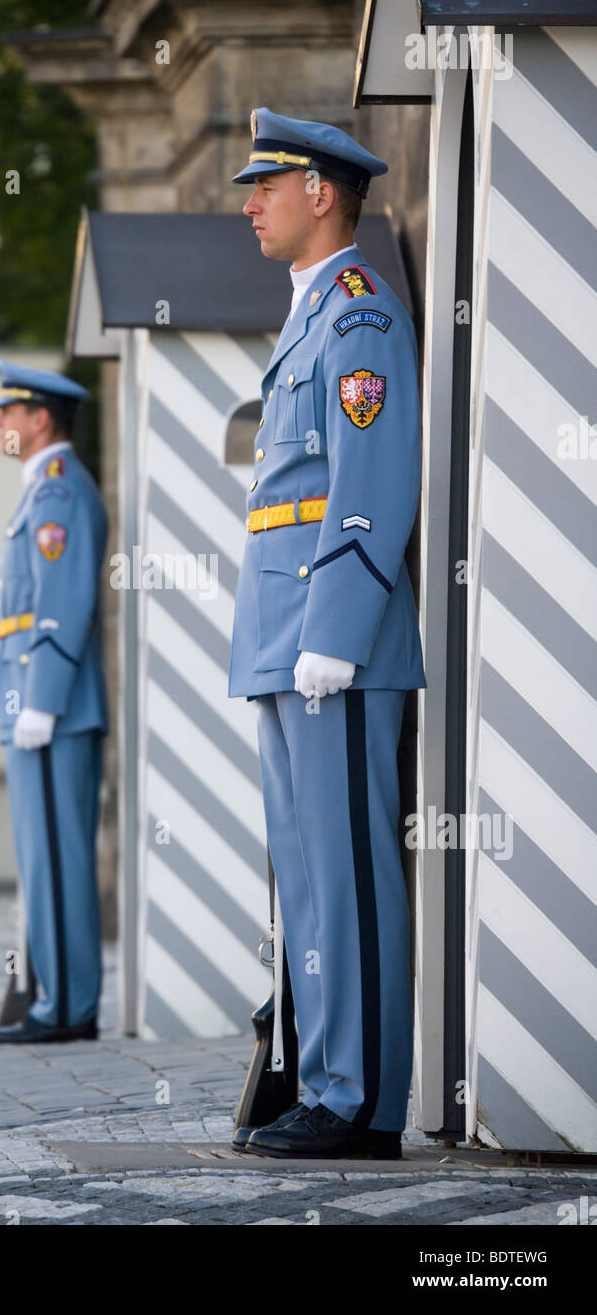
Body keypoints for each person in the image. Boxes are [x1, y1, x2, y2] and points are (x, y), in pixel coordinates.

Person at [228, 108, 427, 1158]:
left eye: (264, 183)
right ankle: (320, 1077)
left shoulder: (356, 317)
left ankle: (359, 1102)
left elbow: (369, 482)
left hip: (329, 642)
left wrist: (338, 629)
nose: (248, 202)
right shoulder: (310, 315)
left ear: (320, 192)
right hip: (283, 639)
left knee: (348, 872)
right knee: (307, 876)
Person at [0, 360, 108, 1045]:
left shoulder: (59, 494)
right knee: (43, 857)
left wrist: (43, 700)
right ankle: (59, 1001)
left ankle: (66, 1009)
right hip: (32, 702)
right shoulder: (40, 492)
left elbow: (62, 605)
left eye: (10, 411)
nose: (0, 422)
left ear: (40, 420)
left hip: (50, 706)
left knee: (57, 858)